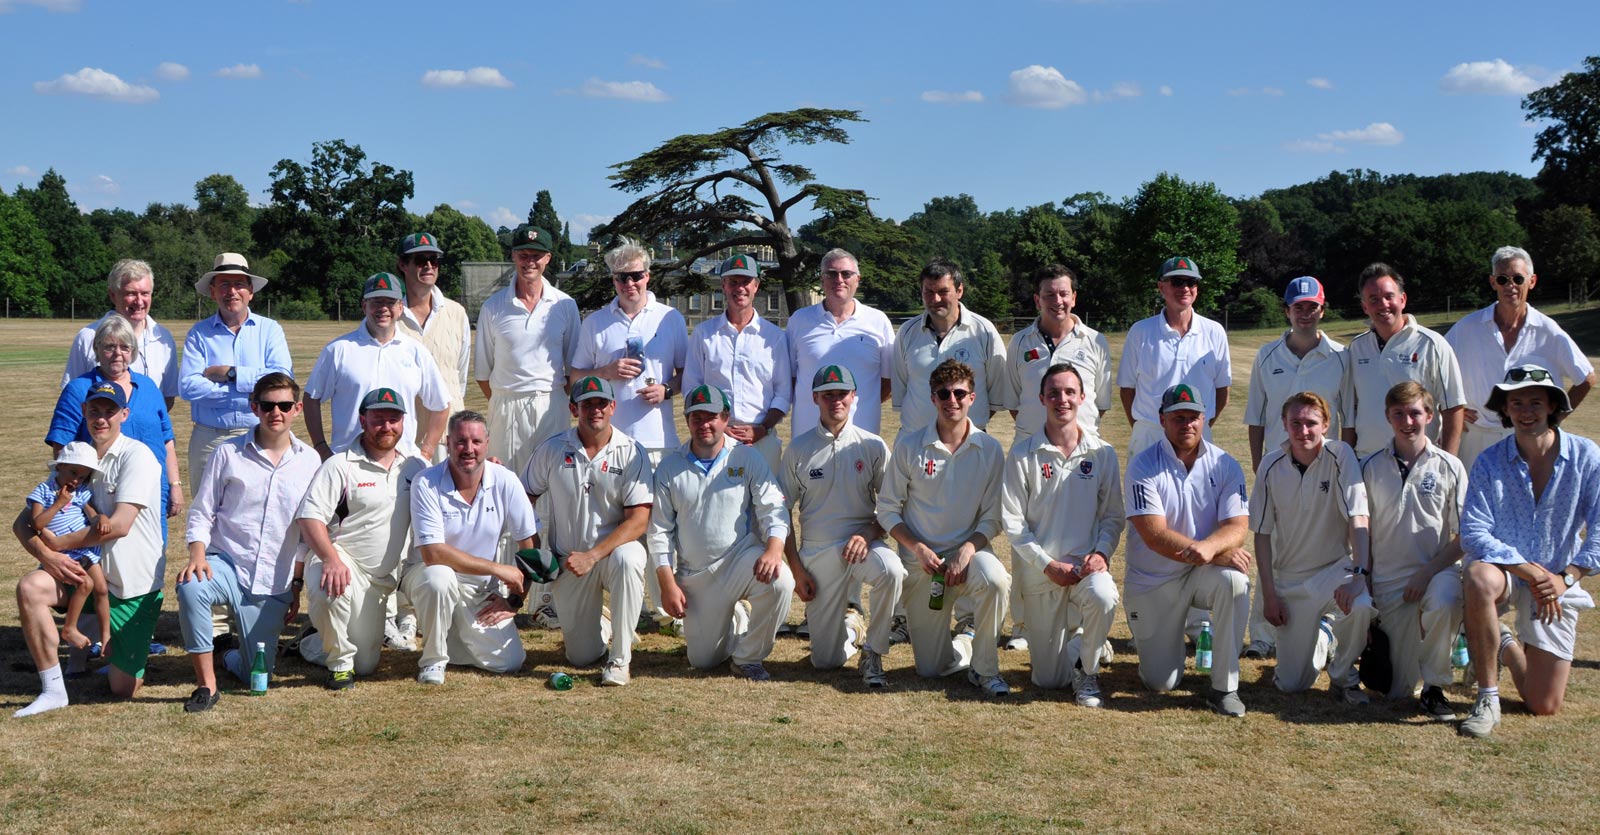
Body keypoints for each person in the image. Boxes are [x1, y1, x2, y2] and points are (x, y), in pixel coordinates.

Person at [1458, 365, 1600, 738]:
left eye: (1535, 401)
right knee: (1477, 576)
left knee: (1543, 705)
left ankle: (1501, 642)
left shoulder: (1587, 457)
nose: (1525, 411)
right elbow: (1473, 533)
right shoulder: (1489, 461)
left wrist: (1567, 577)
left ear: (1553, 405)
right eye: (1515, 402)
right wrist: (1532, 572)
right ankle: (1487, 698)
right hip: (1508, 573)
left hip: (1557, 581)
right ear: (1505, 410)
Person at [13, 382, 166, 716]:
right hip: (83, 573)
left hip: (131, 585)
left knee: (121, 688)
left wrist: (58, 542)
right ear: (84, 412)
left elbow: (121, 526)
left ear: (124, 415)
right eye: (94, 411)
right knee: (30, 587)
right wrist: (47, 555)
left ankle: (114, 648)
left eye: (110, 412)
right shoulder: (74, 458)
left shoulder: (137, 456)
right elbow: (21, 524)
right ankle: (53, 690)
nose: (101, 419)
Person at [176, 372, 320, 712]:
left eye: (285, 405)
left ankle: (225, 652)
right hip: (227, 562)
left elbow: (305, 532)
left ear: (297, 409)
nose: (276, 413)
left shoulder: (310, 461)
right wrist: (198, 554)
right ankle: (206, 687)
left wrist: (296, 585)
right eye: (268, 405)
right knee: (191, 588)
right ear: (254, 408)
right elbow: (202, 511)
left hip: (275, 578)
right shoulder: (228, 453)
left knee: (258, 675)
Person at [572, 239, 688, 631]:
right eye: (622, 277)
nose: (630, 284)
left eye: (636, 276)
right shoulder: (595, 323)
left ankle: (666, 607)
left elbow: (687, 374)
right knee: (616, 523)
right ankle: (629, 608)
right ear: (613, 280)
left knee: (661, 524)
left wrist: (666, 390)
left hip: (658, 438)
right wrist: (604, 372)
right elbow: (573, 377)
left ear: (648, 276)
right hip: (609, 441)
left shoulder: (669, 318)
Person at [878, 359, 1011, 696]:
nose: (952, 400)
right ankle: (965, 647)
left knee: (996, 579)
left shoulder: (990, 449)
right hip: (923, 565)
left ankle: (985, 668)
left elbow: (993, 518)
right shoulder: (909, 445)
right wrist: (918, 549)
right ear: (932, 398)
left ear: (973, 398)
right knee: (931, 670)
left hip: (969, 556)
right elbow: (887, 510)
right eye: (944, 393)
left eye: (959, 393)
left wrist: (967, 550)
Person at [1123, 384, 1252, 717]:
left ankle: (1225, 688)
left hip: (1200, 573)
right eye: (1178, 418)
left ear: (1204, 418)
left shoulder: (1225, 464)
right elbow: (1154, 535)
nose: (1187, 425)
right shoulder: (1143, 465)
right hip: (1154, 581)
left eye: (1193, 417)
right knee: (1160, 682)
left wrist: (1209, 551)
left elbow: (1237, 526)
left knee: (1234, 582)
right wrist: (1211, 551)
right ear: (1162, 420)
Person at [1240, 277, 1352, 659]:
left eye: (1312, 307)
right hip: (1277, 469)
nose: (1305, 314)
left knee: (1328, 543)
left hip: (1326, 468)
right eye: (1298, 307)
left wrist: (1344, 467)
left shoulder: (1341, 356)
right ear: (1286, 310)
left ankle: (1328, 624)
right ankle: (1262, 635)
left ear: (1323, 309)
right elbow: (1256, 419)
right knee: (1269, 540)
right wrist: (1260, 468)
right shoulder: (1267, 356)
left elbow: (1346, 421)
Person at [650, 385, 794, 680]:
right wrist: (667, 584)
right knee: (703, 661)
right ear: (687, 420)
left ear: (725, 418)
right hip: (696, 574)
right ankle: (736, 618)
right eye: (696, 417)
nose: (704, 424)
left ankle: (748, 658)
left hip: (740, 559)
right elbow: (659, 532)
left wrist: (774, 549)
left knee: (781, 581)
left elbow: (773, 509)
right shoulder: (669, 468)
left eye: (711, 416)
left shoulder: (747, 457)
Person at [1002, 363, 1123, 707]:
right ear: (1042, 398)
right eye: (1054, 393)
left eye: (1070, 392)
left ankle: (1088, 670)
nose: (1062, 400)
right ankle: (1087, 642)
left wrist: (1101, 554)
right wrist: (1046, 564)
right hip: (1043, 576)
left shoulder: (1103, 453)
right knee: (1048, 680)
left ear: (1083, 398)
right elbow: (1012, 522)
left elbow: (1113, 516)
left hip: (1086, 571)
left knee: (1103, 595)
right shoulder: (1023, 453)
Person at [780, 365, 906, 687]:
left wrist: (867, 533)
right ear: (815, 398)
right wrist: (797, 570)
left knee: (891, 570)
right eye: (828, 395)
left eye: (842, 394)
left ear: (854, 397)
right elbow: (781, 514)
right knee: (825, 662)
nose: (836, 401)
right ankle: (852, 627)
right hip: (818, 554)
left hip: (864, 547)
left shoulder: (873, 445)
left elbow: (893, 505)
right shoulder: (798, 449)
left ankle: (873, 653)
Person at [521, 376, 651, 686]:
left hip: (608, 555)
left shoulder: (631, 451)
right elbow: (523, 499)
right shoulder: (553, 449)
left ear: (613, 407)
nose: (595, 410)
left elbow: (638, 520)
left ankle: (620, 660)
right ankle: (607, 624)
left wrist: (593, 556)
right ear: (573, 408)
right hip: (569, 562)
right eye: (587, 404)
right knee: (580, 656)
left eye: (601, 403)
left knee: (629, 558)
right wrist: (536, 548)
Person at [294, 387, 427, 689]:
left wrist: (487, 468)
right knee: (332, 587)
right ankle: (339, 667)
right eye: (378, 419)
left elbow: (447, 490)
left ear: (403, 422)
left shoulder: (414, 467)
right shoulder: (340, 465)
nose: (386, 427)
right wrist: (330, 558)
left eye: (394, 419)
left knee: (366, 665)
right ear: (363, 420)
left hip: (380, 582)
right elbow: (309, 517)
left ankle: (311, 641)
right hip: (343, 561)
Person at [1251, 392, 1375, 704]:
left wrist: (1359, 574)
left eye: (1311, 423)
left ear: (1326, 425)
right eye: (1296, 423)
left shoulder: (1341, 455)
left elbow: (1358, 516)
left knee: (1359, 603)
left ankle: (1344, 676)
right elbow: (1262, 535)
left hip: (1335, 570)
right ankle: (1324, 635)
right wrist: (1270, 594)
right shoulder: (1270, 465)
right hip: (1290, 580)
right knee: (1292, 685)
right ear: (1283, 424)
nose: (1303, 431)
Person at [402, 411, 536, 684]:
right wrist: (497, 568)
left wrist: (515, 601)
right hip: (427, 576)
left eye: (476, 441)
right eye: (461, 441)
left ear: (487, 443)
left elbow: (530, 544)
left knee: (509, 662)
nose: (469, 449)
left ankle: (452, 637)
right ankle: (433, 661)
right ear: (448, 442)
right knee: (440, 578)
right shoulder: (426, 482)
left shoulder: (506, 480)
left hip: (479, 590)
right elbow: (433, 553)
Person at [1361, 382, 1468, 718]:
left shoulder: (1450, 466)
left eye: (1415, 413)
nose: (1407, 421)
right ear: (1388, 417)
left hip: (1436, 571)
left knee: (1446, 598)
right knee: (1395, 690)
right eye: (1399, 414)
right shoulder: (1370, 467)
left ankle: (1436, 688)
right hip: (1389, 580)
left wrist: (1427, 572)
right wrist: (1365, 580)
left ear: (1430, 415)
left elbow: (1466, 536)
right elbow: (1359, 530)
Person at [1444, 246, 1594, 473]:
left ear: (1532, 281)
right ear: (1493, 282)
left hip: (1529, 439)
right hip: (1476, 437)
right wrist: (1451, 408)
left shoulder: (1548, 331)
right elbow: (1435, 367)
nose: (1510, 285)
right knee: (1471, 504)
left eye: (1518, 278)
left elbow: (1586, 378)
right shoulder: (1467, 328)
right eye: (1503, 279)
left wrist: (1554, 417)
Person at [49, 314, 183, 531]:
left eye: (124, 347)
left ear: (133, 351)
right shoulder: (78, 389)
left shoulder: (148, 388)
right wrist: (79, 495)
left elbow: (166, 440)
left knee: (148, 558)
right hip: (96, 497)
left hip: (150, 492)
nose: (117, 354)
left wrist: (175, 486)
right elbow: (61, 448)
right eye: (110, 346)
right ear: (97, 349)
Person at [304, 272, 450, 460]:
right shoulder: (338, 350)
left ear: (400, 307)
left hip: (402, 462)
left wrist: (427, 452)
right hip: (350, 460)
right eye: (376, 302)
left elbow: (441, 405)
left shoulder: (415, 352)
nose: (383, 308)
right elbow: (311, 398)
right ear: (364, 306)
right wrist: (321, 448)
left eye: (389, 302)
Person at [473, 224, 581, 478]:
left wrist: (552, 397)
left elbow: (573, 367)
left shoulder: (565, 305)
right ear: (513, 256)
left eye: (536, 256)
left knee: (553, 483)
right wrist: (507, 399)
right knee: (506, 482)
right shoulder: (493, 307)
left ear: (547, 259)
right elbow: (482, 373)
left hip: (551, 404)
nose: (529, 262)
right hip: (506, 406)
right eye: (523, 255)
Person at [180, 253, 293, 488]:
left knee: (257, 510)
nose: (231, 291)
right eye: (224, 285)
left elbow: (282, 380)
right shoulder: (199, 333)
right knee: (206, 513)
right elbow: (188, 386)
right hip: (209, 438)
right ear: (213, 292)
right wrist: (250, 395)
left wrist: (231, 374)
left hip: (259, 433)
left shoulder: (270, 330)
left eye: (239, 284)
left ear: (250, 291)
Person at [1342, 262, 1466, 458]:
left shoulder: (1432, 344)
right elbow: (1350, 411)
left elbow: (1454, 407)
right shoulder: (1357, 347)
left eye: (1388, 296)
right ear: (1364, 306)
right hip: (1367, 460)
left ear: (1403, 299)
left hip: (1419, 459)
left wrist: (1448, 463)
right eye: (1373, 299)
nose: (1383, 305)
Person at [683, 252, 790, 473]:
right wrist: (718, 427)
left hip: (762, 438)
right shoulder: (704, 334)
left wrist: (762, 428)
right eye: (733, 282)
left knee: (767, 505)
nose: (739, 288)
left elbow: (783, 392)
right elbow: (692, 388)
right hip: (717, 437)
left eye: (745, 282)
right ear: (723, 285)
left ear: (756, 286)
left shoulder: (774, 337)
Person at [1118, 256, 1231, 458]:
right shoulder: (1140, 331)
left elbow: (1222, 390)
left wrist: (1198, 424)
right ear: (1161, 287)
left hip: (1197, 433)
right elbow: (1127, 390)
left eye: (1191, 282)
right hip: (1150, 434)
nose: (1185, 288)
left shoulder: (1215, 332)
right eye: (1177, 281)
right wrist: (1145, 426)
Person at [787, 248, 895, 437]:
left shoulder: (878, 321)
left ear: (857, 279)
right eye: (831, 274)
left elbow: (889, 381)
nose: (839, 280)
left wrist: (860, 403)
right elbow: (791, 378)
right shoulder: (799, 320)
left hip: (862, 437)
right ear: (822, 279)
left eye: (846, 274)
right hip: (808, 436)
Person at [892, 259, 1007, 436]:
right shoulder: (907, 332)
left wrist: (962, 426)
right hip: (915, 441)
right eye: (928, 292)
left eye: (943, 291)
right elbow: (900, 390)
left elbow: (997, 393)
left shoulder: (984, 332)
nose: (935, 299)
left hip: (970, 443)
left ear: (959, 291)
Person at [1004, 263, 1113, 442]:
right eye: (1049, 295)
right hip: (1031, 448)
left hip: (1082, 451)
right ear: (1037, 300)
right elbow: (1014, 402)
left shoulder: (1095, 341)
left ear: (1074, 298)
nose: (1058, 301)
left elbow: (1100, 403)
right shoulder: (1020, 342)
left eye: (1064, 294)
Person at [24, 443, 110, 654]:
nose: (75, 480)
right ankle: (69, 628)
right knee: (85, 584)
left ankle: (106, 635)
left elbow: (91, 513)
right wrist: (58, 504)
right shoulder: (43, 491)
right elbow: (37, 523)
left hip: (85, 550)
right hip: (63, 553)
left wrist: (102, 518)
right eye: (72, 472)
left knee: (101, 589)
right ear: (60, 466)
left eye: (81, 477)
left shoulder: (81, 492)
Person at [62, 258, 179, 410]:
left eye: (145, 293)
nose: (139, 301)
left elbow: (167, 398)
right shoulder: (87, 337)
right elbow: (73, 397)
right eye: (131, 294)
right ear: (112, 295)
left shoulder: (164, 339)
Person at [395, 232, 474, 458]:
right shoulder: (390, 317)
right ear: (403, 264)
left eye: (434, 260)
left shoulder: (457, 313)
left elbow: (459, 377)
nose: (429, 266)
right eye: (420, 260)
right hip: (403, 436)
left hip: (449, 436)